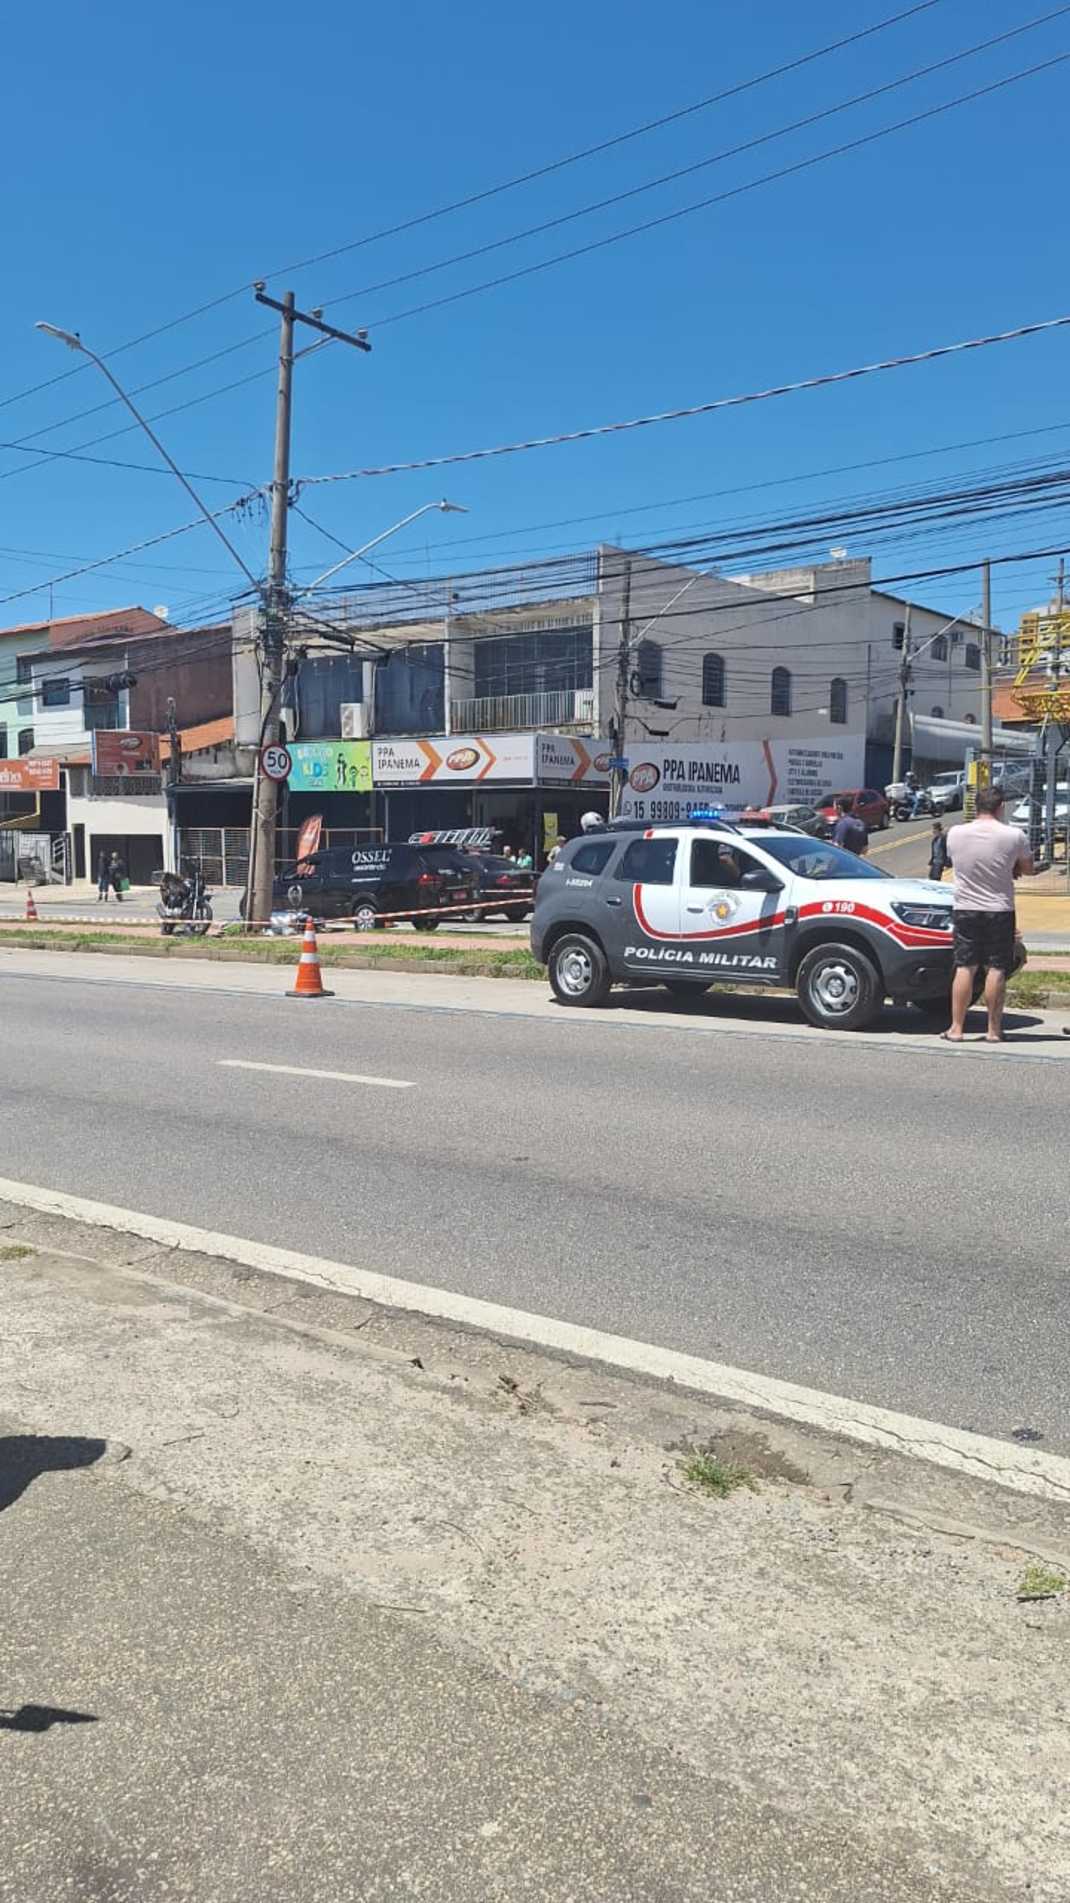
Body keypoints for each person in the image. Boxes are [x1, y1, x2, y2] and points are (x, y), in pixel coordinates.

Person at [944, 786, 1032, 1044]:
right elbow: (1028, 868)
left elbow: (957, 861)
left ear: (976, 806)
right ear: (1001, 806)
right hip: (999, 909)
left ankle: (956, 1028)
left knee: (965, 966)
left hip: (965, 907)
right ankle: (994, 1030)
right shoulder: (1014, 835)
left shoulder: (955, 833)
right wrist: (1012, 866)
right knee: (996, 968)